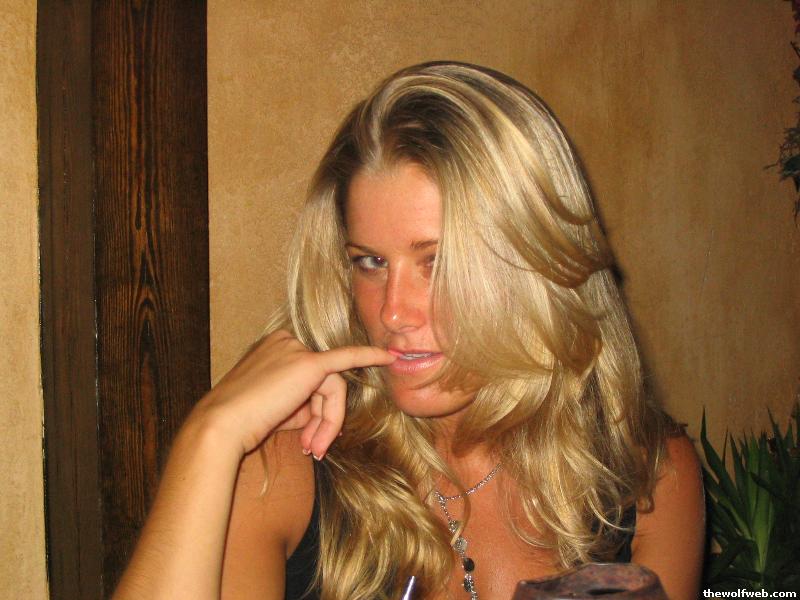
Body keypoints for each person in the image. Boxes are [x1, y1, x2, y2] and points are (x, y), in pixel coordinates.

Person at [113, 62, 704, 600]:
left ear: (541, 263)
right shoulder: (285, 465)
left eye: (438, 261)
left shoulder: (648, 474)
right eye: (370, 262)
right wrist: (211, 432)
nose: (393, 313)